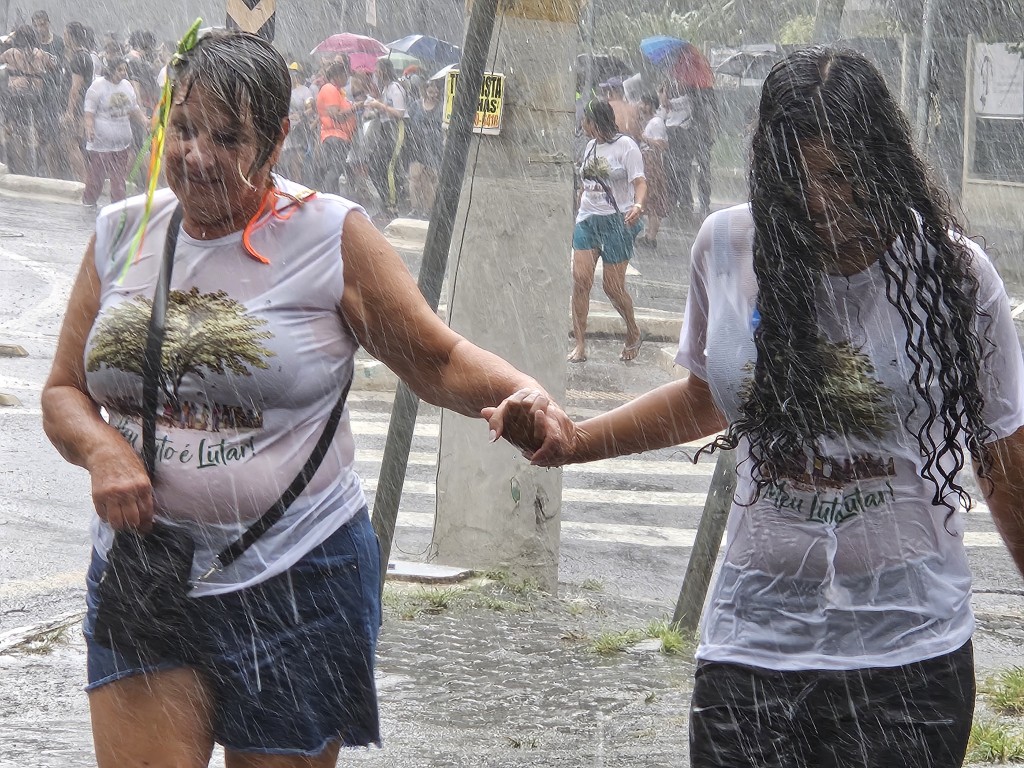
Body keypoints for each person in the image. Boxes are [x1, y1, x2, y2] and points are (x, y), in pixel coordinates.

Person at [488, 47, 1024, 768]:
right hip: (752, 645)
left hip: (908, 651)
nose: (817, 201)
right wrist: (573, 440)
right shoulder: (727, 246)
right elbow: (706, 398)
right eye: (794, 179)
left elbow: (1001, 454)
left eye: (838, 175)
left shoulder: (954, 276)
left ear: (882, 164)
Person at [41, 29, 563, 768]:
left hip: (298, 576)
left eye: (227, 137)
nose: (195, 156)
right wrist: (101, 449)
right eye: (184, 129)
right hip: (148, 572)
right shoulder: (123, 233)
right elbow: (63, 391)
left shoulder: (330, 235)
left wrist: (521, 393)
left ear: (278, 139)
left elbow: (438, 359)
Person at [569, 98, 646, 364]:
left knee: (612, 287)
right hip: (588, 220)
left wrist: (637, 204)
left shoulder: (626, 146)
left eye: (585, 120)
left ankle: (633, 330)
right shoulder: (590, 147)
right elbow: (587, 183)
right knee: (580, 281)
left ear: (594, 122)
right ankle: (580, 345)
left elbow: (640, 182)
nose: (582, 124)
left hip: (617, 221)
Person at [82, 57, 146, 207]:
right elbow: (89, 112)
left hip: (122, 142)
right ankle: (88, 203)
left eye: (125, 70)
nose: (123, 73)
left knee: (119, 178)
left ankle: (117, 206)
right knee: (96, 176)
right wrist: (89, 128)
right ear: (111, 70)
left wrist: (145, 121)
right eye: (120, 70)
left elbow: (134, 109)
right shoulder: (98, 86)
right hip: (102, 143)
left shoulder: (127, 86)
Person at [0, 24, 54, 175]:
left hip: (15, 95)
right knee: (34, 128)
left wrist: (9, 39)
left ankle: (14, 165)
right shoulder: (41, 54)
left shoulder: (11, 53)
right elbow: (52, 66)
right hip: (35, 95)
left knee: (11, 127)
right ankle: (35, 165)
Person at [365, 57, 409, 219]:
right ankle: (385, 200)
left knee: (390, 166)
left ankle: (393, 204)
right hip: (384, 129)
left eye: (377, 71)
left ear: (383, 72)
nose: (375, 74)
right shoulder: (385, 89)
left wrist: (380, 106)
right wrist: (373, 110)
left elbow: (400, 112)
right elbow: (384, 110)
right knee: (375, 165)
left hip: (396, 129)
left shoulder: (396, 88)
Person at [315, 60, 356, 195]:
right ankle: (327, 197)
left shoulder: (338, 91)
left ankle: (332, 197)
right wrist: (356, 107)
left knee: (337, 170)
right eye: (345, 74)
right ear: (338, 75)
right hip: (334, 136)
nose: (347, 78)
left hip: (341, 137)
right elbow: (336, 115)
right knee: (335, 169)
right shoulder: (329, 89)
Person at [32, 9, 64, 178]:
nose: (39, 28)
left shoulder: (57, 42)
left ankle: (54, 173)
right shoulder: (32, 42)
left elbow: (59, 66)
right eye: (36, 25)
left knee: (53, 135)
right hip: (35, 92)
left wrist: (44, 57)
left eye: (42, 24)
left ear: (48, 23)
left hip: (52, 91)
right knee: (37, 132)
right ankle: (37, 169)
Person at [61, 21, 95, 182]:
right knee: (78, 144)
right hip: (84, 105)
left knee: (71, 143)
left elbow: (75, 88)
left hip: (78, 107)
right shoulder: (85, 55)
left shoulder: (79, 58)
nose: (64, 37)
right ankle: (84, 179)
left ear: (73, 36)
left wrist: (69, 112)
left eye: (66, 34)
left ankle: (83, 180)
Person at [635, 93, 670, 248]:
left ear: (650, 104)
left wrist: (644, 138)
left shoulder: (656, 122)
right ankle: (648, 236)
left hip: (652, 162)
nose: (641, 107)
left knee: (654, 200)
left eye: (643, 103)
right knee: (649, 200)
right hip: (648, 161)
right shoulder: (652, 122)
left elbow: (663, 145)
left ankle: (651, 237)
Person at [406, 76, 444, 218]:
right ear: (425, 91)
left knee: (430, 180)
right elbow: (408, 122)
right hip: (417, 144)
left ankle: (428, 211)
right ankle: (415, 208)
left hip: (434, 145)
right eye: (430, 91)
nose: (433, 95)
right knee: (414, 178)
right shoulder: (415, 105)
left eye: (436, 92)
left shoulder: (442, 107)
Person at [280, 62, 315, 184]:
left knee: (297, 161)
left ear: (298, 75)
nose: (291, 75)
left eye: (293, 73)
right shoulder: (286, 90)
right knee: (285, 160)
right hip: (287, 129)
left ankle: (297, 185)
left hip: (300, 129)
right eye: (290, 73)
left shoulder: (305, 91)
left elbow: (310, 108)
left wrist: (301, 115)